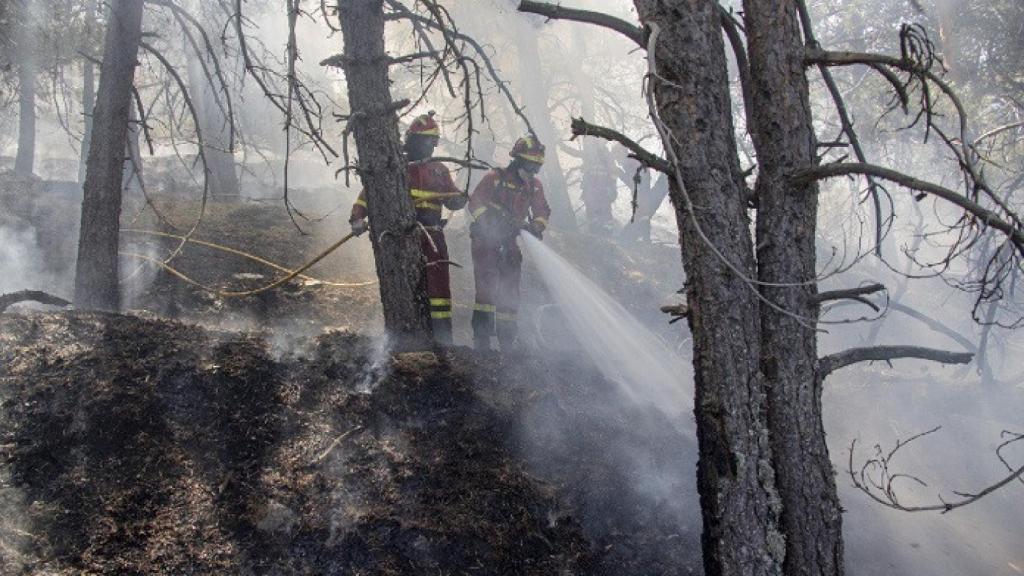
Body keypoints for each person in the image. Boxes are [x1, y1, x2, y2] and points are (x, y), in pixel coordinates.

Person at [348, 112, 467, 344]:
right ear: (413, 141)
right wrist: (357, 218)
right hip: (403, 237)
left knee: (439, 288)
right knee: (406, 286)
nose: (431, 147)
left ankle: (443, 339)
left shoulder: (439, 170)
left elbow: (451, 198)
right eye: (426, 141)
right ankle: (408, 338)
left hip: (433, 236)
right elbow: (367, 197)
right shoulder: (396, 167)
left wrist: (460, 199)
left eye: (433, 142)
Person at [468, 135, 551, 351]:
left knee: (511, 291)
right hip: (486, 242)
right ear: (519, 160)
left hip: (510, 243)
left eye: (537, 166)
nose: (533, 170)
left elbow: (542, 210)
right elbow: (475, 201)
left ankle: (507, 341)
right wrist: (489, 222)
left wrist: (537, 226)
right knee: (485, 289)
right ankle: (482, 340)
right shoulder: (495, 178)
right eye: (530, 164)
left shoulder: (533, 186)